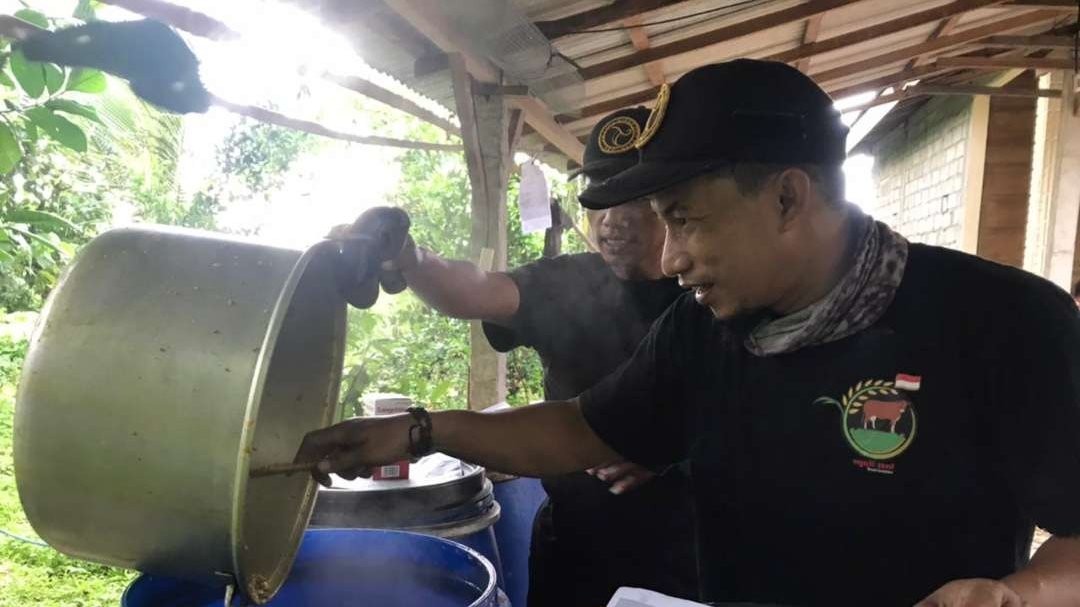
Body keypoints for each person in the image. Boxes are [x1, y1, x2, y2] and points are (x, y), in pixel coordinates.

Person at [304, 60, 1080, 607]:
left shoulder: (1005, 322)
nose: (670, 258)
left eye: (684, 220)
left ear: (785, 198)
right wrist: (415, 430)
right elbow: (579, 429)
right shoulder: (702, 330)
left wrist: (1019, 592)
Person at [334, 108, 698, 607]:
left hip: (683, 562)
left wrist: (676, 455)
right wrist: (408, 258)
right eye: (601, 198)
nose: (613, 221)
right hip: (573, 551)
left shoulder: (714, 296)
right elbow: (476, 291)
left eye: (636, 200)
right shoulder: (571, 281)